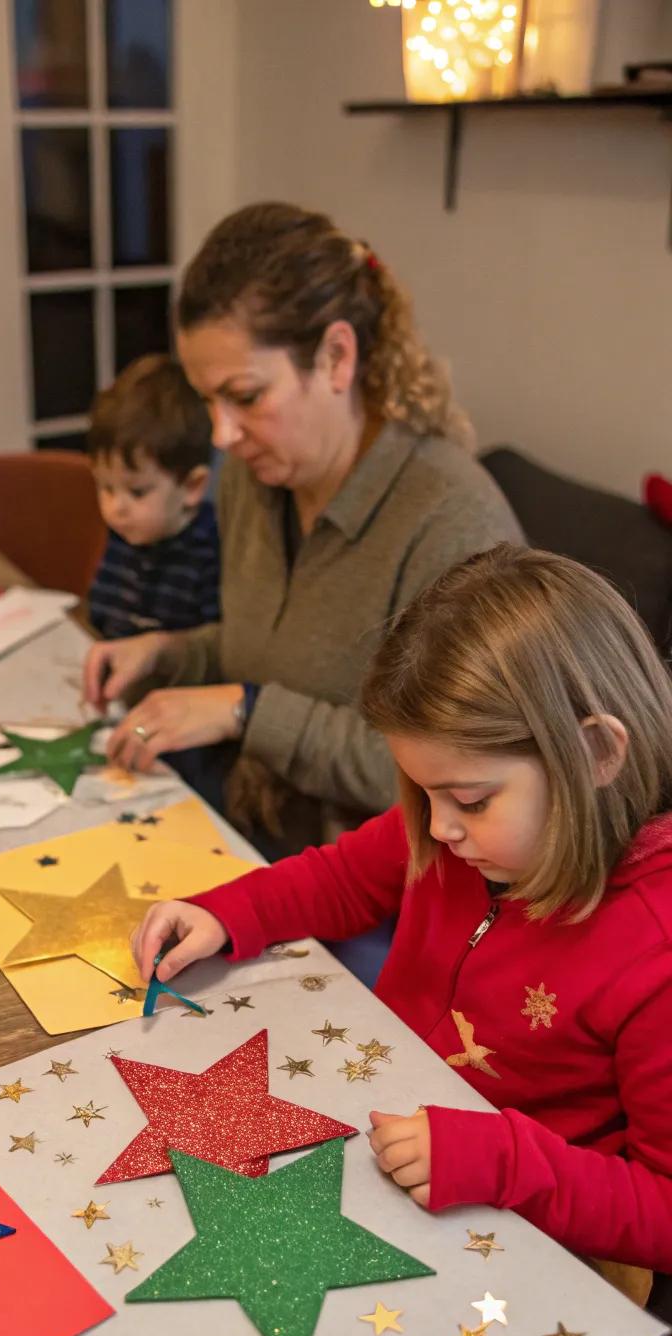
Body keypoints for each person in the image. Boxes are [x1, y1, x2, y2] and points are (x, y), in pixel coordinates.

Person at [130, 546, 672, 1273]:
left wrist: (504, 1159)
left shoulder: (655, 953)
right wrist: (229, 912)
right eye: (422, 793)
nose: (441, 828)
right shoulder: (456, 830)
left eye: (472, 801)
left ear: (598, 754)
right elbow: (344, 878)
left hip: (524, 1237)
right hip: (381, 1133)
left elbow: (662, 1213)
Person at [83, 202, 522, 856]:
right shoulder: (255, 477)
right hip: (249, 829)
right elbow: (275, 649)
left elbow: (456, 771)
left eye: (246, 396)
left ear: (337, 357)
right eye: (209, 400)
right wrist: (168, 653)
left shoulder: (452, 522)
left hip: (384, 884)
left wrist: (245, 710)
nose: (221, 434)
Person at [87, 354, 219, 641]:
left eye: (137, 492)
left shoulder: (211, 552)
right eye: (106, 488)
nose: (116, 508)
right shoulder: (126, 533)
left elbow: (218, 651)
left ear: (193, 487)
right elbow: (100, 616)